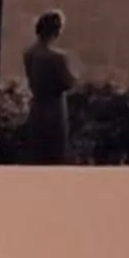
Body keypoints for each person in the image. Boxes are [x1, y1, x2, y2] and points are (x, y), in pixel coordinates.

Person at [21, 9, 77, 165]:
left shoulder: (29, 54)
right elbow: (68, 83)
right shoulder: (58, 58)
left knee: (37, 153)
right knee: (55, 153)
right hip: (55, 110)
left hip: (37, 109)